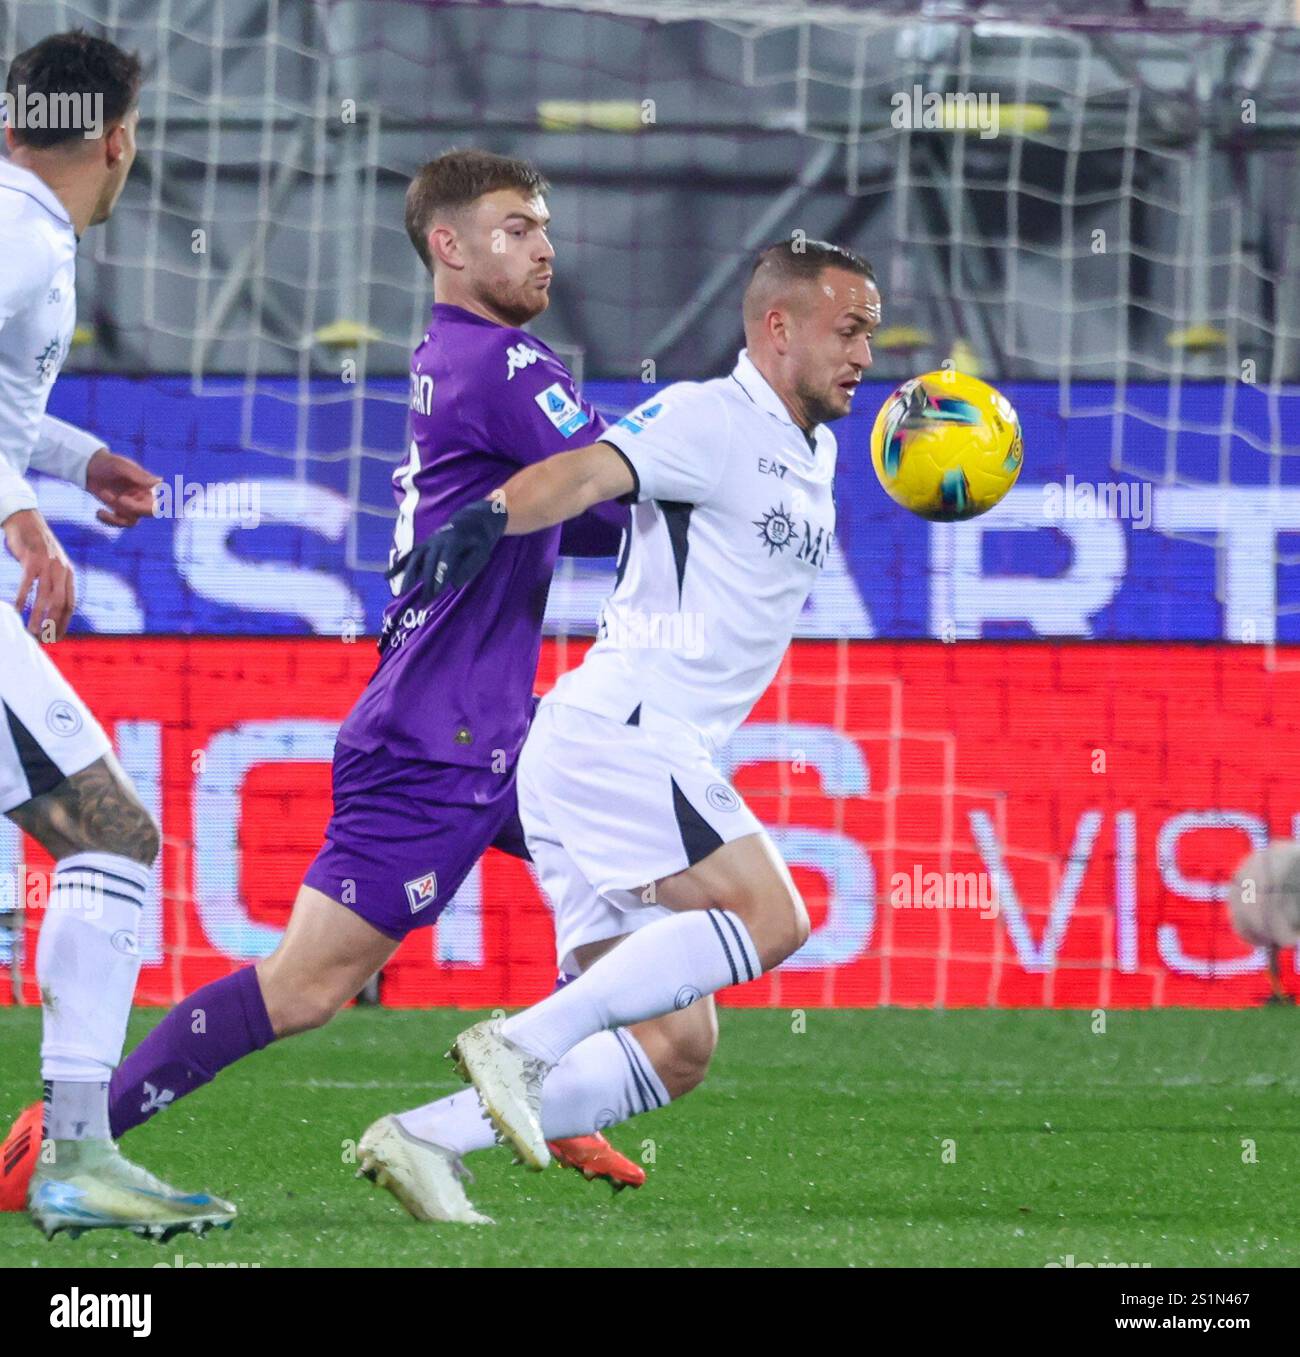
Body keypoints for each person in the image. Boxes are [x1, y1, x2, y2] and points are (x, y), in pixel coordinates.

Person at [4, 149, 717, 1227]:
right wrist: (723, 447)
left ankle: (547, 1070)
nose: (543, 244)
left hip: (504, 735)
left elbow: (572, 512)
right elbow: (613, 505)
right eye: (517, 225)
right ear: (450, 244)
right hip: (437, 743)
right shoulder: (509, 366)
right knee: (301, 990)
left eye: (544, 225)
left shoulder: (452, 354)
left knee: (661, 928)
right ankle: (63, 1133)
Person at [405, 239, 880, 1177]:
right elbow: (588, 472)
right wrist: (490, 516)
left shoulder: (810, 450)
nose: (866, 353)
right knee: (774, 917)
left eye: (873, 333)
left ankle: (425, 1137)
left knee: (677, 1047)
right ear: (778, 328)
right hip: (624, 735)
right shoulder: (712, 417)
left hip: (605, 749)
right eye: (850, 330)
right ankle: (524, 1039)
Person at [0, 30, 235, 1239]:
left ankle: (80, 1152)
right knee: (114, 834)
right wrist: (26, 521)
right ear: (120, 140)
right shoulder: (25, 234)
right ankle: (79, 1154)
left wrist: (74, 459)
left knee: (107, 835)